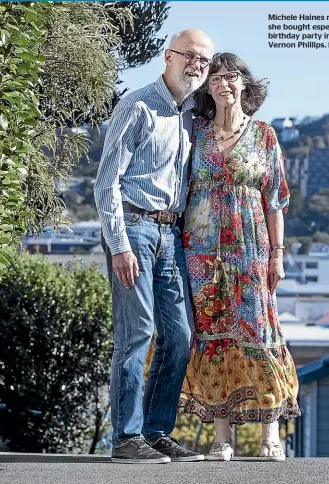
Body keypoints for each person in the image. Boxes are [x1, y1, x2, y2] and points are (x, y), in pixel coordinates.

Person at [94, 29, 214, 464]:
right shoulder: (139, 105)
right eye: (191, 56)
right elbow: (106, 181)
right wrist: (119, 244)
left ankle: (156, 431)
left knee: (180, 336)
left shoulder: (188, 115)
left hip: (170, 234)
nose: (197, 65)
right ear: (168, 56)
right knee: (136, 333)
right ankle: (126, 439)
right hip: (134, 228)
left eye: (204, 60)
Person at [179, 53, 301, 461]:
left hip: (252, 251)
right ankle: (222, 438)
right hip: (200, 252)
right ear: (207, 88)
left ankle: (271, 435)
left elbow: (275, 201)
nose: (223, 84)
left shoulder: (265, 135)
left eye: (231, 77)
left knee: (259, 335)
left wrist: (278, 255)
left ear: (245, 84)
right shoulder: (194, 132)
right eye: (215, 78)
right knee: (211, 338)